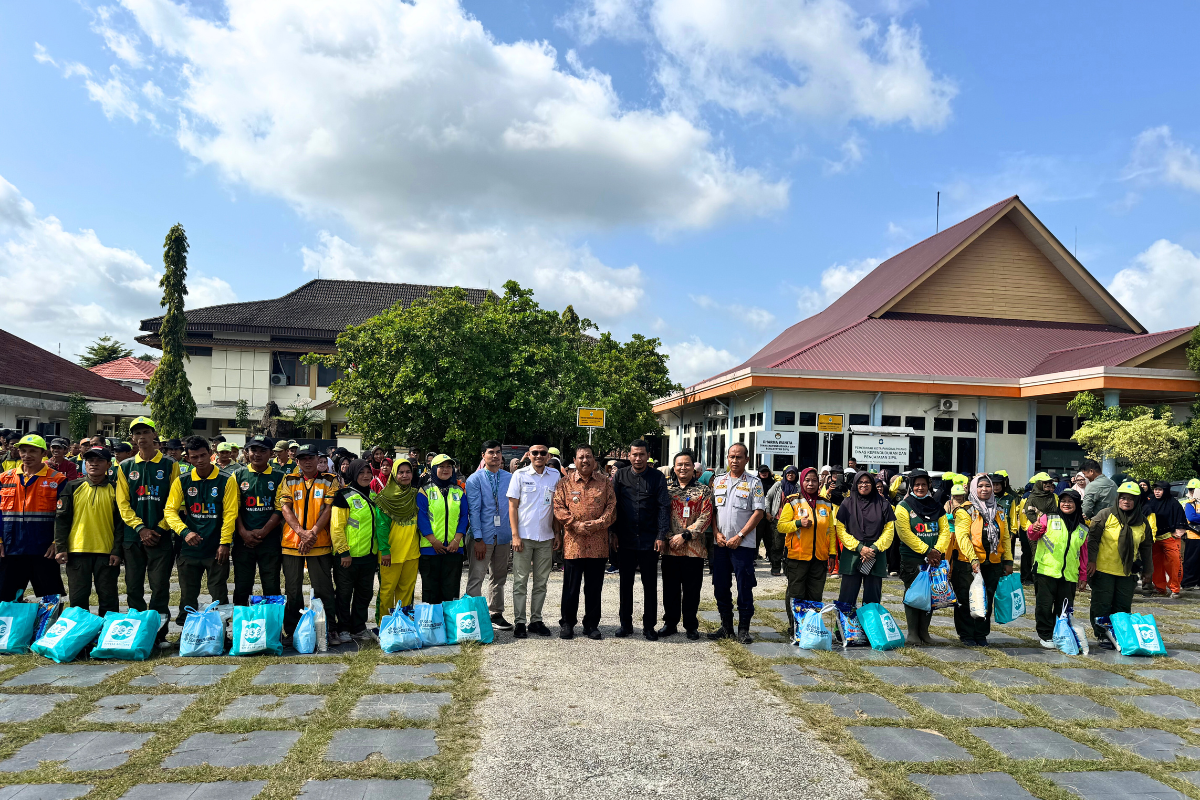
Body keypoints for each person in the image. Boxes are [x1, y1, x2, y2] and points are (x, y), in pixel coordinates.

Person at [115, 416, 176, 645]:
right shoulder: (125, 466)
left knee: (160, 586)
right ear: (132, 438)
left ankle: (159, 635)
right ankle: (138, 633)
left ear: (154, 435)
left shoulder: (170, 464)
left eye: (145, 432)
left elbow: (174, 500)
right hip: (134, 537)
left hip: (161, 536)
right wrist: (140, 528)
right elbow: (123, 503)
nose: (141, 437)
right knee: (133, 586)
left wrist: (159, 528)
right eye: (137, 433)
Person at [165, 436, 237, 628]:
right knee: (188, 593)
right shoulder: (182, 481)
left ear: (211, 455)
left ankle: (221, 632)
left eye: (203, 455)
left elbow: (230, 514)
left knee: (219, 591)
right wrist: (185, 532)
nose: (200, 460)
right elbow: (169, 511)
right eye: (194, 457)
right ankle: (186, 632)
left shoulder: (226, 480)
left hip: (216, 547)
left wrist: (224, 543)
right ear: (187, 458)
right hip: (189, 548)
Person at [553, 443, 616, 639]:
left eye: (588, 456)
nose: (585, 460)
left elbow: (612, 507)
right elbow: (558, 507)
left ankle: (591, 624)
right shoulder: (565, 483)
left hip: (598, 545)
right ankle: (567, 623)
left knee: (594, 587)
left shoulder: (605, 482)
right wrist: (574, 524)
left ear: (594, 459)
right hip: (574, 544)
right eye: (581, 457)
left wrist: (598, 524)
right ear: (574, 461)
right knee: (571, 587)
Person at [278, 444, 339, 645]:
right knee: (292, 589)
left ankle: (329, 629)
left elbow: (329, 509)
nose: (307, 461)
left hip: (319, 542)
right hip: (292, 543)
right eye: (303, 458)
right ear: (297, 461)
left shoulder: (330, 480)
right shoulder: (289, 479)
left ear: (318, 458)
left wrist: (311, 534)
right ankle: (293, 629)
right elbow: (285, 508)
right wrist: (301, 533)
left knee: (323, 589)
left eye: (311, 457)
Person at [611, 439, 671, 640]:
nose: (638, 458)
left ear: (647, 456)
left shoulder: (657, 477)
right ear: (629, 456)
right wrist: (613, 533)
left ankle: (649, 626)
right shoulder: (620, 475)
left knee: (650, 585)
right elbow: (613, 506)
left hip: (649, 540)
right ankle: (625, 624)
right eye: (634, 454)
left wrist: (661, 535)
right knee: (625, 584)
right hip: (625, 539)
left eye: (642, 454)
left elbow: (663, 507)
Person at [54, 445, 123, 614]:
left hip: (106, 553)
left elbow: (121, 524)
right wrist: (61, 548)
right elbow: (62, 520)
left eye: (99, 460)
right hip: (77, 551)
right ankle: (81, 638)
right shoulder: (72, 486)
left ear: (109, 465)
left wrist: (117, 551)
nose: (94, 464)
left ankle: (105, 637)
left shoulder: (116, 489)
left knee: (108, 600)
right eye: (90, 460)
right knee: (78, 600)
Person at [708, 442, 766, 643]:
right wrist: (716, 533)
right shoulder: (718, 482)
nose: (734, 460)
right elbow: (712, 512)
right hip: (721, 544)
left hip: (743, 545)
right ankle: (726, 626)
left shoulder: (754, 482)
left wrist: (740, 535)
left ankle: (744, 629)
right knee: (720, 586)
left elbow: (759, 512)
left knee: (744, 586)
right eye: (731, 457)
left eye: (739, 457)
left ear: (747, 459)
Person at [1088, 481, 1155, 648]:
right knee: (1101, 605)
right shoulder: (1105, 515)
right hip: (1103, 570)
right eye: (1123, 498)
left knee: (1122, 607)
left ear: (1137, 501)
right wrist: (1091, 561)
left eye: (1131, 499)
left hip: (1127, 573)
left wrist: (1148, 570)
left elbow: (1146, 547)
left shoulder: (1142, 522)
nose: (1127, 501)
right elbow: (1092, 540)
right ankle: (1103, 635)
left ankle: (1119, 635)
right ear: (1118, 499)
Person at [0, 434, 67, 600]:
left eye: (32, 451)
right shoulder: (5, 478)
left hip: (44, 549)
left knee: (51, 599)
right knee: (6, 598)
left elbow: (63, 516)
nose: (26, 455)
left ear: (44, 453)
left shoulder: (57, 480)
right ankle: (12, 627)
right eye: (23, 451)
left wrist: (56, 542)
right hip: (11, 548)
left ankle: (49, 627)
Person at [507, 437, 561, 639]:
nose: (539, 456)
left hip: (546, 537)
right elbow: (512, 506)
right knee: (520, 581)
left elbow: (556, 508)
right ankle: (519, 622)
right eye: (535, 453)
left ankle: (536, 620)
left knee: (541, 582)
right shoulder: (519, 475)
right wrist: (515, 536)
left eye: (543, 453)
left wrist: (557, 533)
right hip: (523, 537)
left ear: (549, 456)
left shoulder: (554, 476)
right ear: (528, 455)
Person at [951, 474, 1013, 646]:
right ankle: (966, 634)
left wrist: (1008, 560)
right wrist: (973, 559)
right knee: (966, 598)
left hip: (992, 563)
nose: (984, 489)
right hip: (967, 563)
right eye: (980, 486)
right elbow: (962, 537)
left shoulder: (999, 510)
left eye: (987, 486)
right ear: (973, 488)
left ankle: (981, 634)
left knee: (987, 598)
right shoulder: (965, 510)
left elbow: (1006, 537)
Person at [776, 467, 838, 637]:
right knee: (796, 594)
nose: (811, 484)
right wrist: (797, 524)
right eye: (807, 480)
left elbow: (831, 531)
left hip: (819, 557)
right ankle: (795, 628)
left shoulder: (825, 503)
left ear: (819, 483)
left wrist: (832, 553)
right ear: (801, 482)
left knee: (815, 595)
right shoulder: (793, 501)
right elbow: (781, 526)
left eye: (814, 481)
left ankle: (810, 628)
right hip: (797, 557)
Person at [893, 469, 951, 645]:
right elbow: (904, 533)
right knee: (914, 593)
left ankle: (924, 632)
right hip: (912, 559)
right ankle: (912, 634)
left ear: (929, 486)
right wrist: (927, 551)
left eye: (923, 484)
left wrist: (938, 551)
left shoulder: (936, 506)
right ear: (911, 486)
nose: (920, 488)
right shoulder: (903, 507)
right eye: (917, 484)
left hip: (934, 559)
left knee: (931, 594)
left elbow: (945, 531)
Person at [658, 450, 712, 640]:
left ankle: (690, 625)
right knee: (670, 589)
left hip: (693, 549)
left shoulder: (703, 490)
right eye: (679, 464)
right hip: (670, 548)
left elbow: (706, 517)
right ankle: (670, 623)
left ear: (693, 468)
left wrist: (686, 535)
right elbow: (660, 515)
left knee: (691, 590)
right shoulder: (666, 489)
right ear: (674, 467)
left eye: (687, 464)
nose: (683, 468)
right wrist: (669, 536)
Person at [1025, 488, 1088, 647]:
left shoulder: (1083, 527)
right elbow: (1032, 536)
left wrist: (1083, 576)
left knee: (1064, 608)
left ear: (1077, 504)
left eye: (1070, 501)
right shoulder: (1049, 517)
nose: (1066, 504)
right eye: (1063, 501)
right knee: (1044, 606)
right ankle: (1045, 635)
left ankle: (1059, 634)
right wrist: (1034, 529)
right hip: (1046, 571)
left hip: (1069, 575)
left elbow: (1083, 554)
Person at [330, 459, 384, 640]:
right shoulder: (343, 496)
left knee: (365, 593)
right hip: (348, 557)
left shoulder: (375, 497)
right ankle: (343, 627)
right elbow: (337, 527)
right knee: (344, 594)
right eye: (361, 472)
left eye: (368, 472)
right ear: (353, 473)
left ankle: (359, 627)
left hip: (368, 556)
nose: (366, 476)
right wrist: (343, 552)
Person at [466, 440, 515, 631]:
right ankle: (473, 617)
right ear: (483, 456)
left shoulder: (509, 478)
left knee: (499, 576)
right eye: (490, 452)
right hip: (482, 537)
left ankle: (495, 613)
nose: (495, 456)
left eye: (498, 452)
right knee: (476, 576)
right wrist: (478, 539)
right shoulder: (474, 479)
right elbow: (474, 511)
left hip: (502, 535)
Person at [231, 435, 284, 606]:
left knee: (272, 585)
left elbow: (280, 508)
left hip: (270, 541)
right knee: (242, 587)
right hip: (243, 541)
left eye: (263, 451)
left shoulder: (279, 477)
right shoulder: (237, 475)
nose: (257, 454)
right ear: (246, 452)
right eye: (254, 450)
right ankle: (241, 628)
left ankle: (273, 629)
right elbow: (234, 508)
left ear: (271, 454)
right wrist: (243, 532)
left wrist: (263, 532)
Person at [834, 470, 896, 607]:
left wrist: (873, 548)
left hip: (876, 554)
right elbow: (841, 529)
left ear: (873, 484)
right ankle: (844, 627)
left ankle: (869, 628)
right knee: (846, 597)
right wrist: (859, 547)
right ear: (855, 484)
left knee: (872, 600)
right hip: (852, 553)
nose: (864, 485)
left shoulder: (883, 504)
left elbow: (889, 530)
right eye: (860, 482)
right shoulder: (847, 503)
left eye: (867, 482)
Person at [417, 454, 469, 605]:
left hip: (454, 549)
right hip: (430, 549)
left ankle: (449, 626)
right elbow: (422, 517)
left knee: (451, 591)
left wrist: (456, 540)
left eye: (449, 466)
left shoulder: (459, 490)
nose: (445, 469)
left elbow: (464, 516)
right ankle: (433, 626)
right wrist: (433, 541)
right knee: (431, 590)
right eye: (441, 466)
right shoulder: (424, 490)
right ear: (433, 469)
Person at [374, 459, 422, 618]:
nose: (405, 475)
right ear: (394, 474)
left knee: (407, 590)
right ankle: (384, 624)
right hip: (391, 554)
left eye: (408, 472)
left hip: (411, 552)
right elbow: (381, 527)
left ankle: (404, 624)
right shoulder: (384, 498)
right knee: (387, 590)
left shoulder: (415, 495)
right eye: (401, 472)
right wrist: (385, 550)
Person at [1145, 480, 1187, 598]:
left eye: (1160, 490)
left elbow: (1180, 519)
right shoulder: (1151, 501)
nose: (1157, 492)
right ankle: (1160, 588)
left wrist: (1177, 532)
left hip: (1170, 537)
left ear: (1166, 491)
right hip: (1154, 539)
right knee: (1156, 565)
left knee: (1175, 563)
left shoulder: (1174, 504)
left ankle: (1175, 589)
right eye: (1155, 489)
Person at [1020, 473, 1058, 585]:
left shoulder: (1052, 497)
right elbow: (1028, 512)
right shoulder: (1032, 497)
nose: (1048, 484)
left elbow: (1055, 512)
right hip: (1035, 530)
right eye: (1045, 482)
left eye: (1049, 482)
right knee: (1036, 553)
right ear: (1038, 484)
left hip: (1050, 529)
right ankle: (1035, 576)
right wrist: (1038, 523)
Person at [755, 464, 782, 575]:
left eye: (766, 471)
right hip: (758, 515)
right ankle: (753, 557)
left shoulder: (774, 483)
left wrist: (769, 513)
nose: (764, 473)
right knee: (756, 537)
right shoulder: (756, 483)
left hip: (770, 515)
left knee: (770, 538)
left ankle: (771, 558)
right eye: (762, 471)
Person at [1183, 478, 1200, 591]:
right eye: (1190, 489)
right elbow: (1191, 517)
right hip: (1193, 536)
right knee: (1191, 560)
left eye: (1194, 489)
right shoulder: (1190, 504)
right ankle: (1188, 582)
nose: (1192, 491)